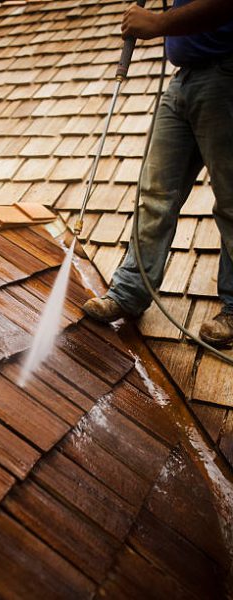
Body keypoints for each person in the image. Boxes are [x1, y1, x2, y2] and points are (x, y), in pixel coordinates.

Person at [83, 0, 233, 347]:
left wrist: (159, 23)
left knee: (230, 202)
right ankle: (130, 292)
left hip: (225, 75)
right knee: (154, 195)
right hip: (184, 80)